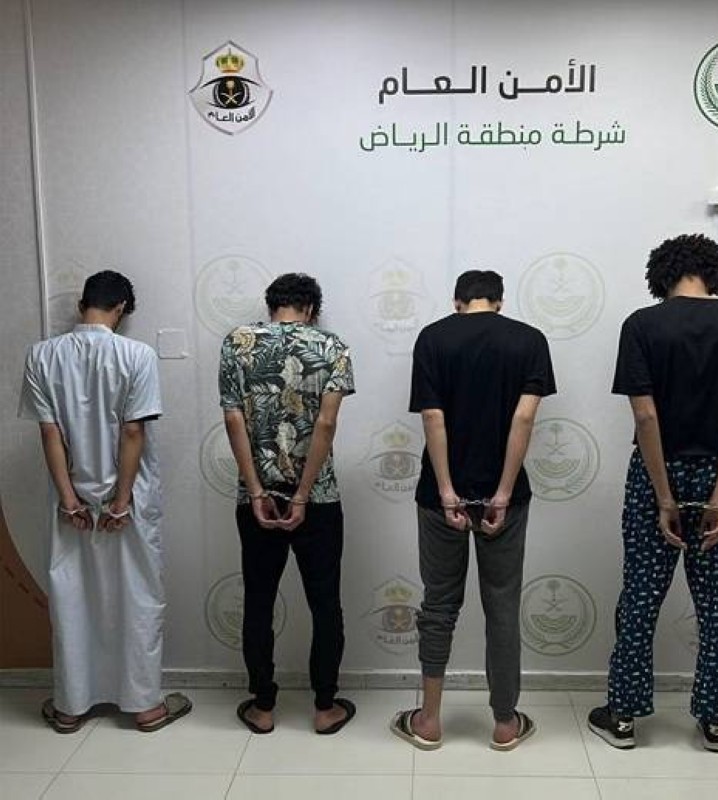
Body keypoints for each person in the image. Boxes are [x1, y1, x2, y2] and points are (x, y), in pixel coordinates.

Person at [588, 234, 718, 753]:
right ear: (713, 272)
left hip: (656, 474)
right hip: (717, 472)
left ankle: (624, 716)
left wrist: (664, 497)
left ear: (660, 276)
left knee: (640, 598)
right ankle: (716, 721)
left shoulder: (641, 325)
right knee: (717, 603)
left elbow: (646, 416)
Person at [390, 269, 556, 751]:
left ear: (457, 301)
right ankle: (505, 724)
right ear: (499, 302)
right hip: (506, 497)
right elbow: (523, 418)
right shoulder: (529, 340)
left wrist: (447, 490)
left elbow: (433, 417)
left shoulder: (433, 337)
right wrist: (502, 492)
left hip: (438, 496)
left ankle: (429, 721)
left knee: (439, 605)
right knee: (502, 605)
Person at [19, 270, 191, 733]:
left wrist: (70, 500)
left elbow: (49, 434)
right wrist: (120, 501)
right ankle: (146, 707)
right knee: (138, 596)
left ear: (82, 305)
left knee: (71, 596)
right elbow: (133, 431)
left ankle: (70, 707)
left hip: (70, 499)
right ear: (121, 310)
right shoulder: (137, 355)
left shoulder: (42, 355)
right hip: (128, 500)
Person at [219, 272, 356, 735]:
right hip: (318, 496)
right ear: (312, 309)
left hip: (256, 496)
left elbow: (233, 420)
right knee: (325, 604)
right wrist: (302, 494)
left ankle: (262, 707)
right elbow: (326, 425)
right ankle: (325, 707)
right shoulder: (332, 346)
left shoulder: (237, 342)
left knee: (259, 601)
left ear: (271, 305)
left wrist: (257, 490)